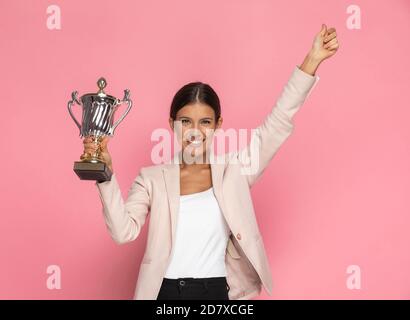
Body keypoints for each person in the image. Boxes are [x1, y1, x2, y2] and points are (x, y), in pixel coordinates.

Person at [84, 24, 339, 300]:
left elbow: (275, 125)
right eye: (186, 121)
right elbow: (123, 232)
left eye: (205, 122)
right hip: (164, 294)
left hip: (216, 292)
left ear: (218, 125)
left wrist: (311, 61)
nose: (195, 131)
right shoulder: (151, 178)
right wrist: (104, 174)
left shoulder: (234, 171)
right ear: (172, 124)